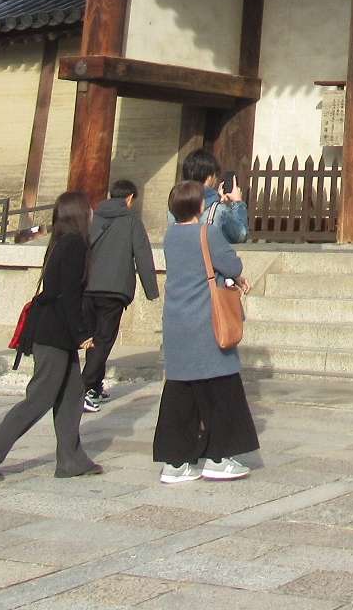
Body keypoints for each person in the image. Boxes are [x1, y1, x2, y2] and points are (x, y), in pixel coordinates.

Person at [0, 191, 100, 480]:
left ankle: (70, 459)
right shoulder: (74, 244)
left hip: (54, 329)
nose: (92, 214)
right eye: (88, 209)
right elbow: (68, 295)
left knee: (71, 395)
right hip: (56, 333)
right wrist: (82, 334)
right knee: (39, 399)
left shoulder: (61, 242)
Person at [153, 179, 258, 483]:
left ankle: (175, 463)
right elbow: (229, 262)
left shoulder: (170, 236)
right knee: (221, 389)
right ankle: (218, 457)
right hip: (204, 322)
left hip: (176, 321)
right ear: (199, 206)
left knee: (180, 393)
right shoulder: (207, 232)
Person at [83, 179, 158, 413]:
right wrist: (151, 290)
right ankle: (83, 388)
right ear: (129, 198)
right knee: (104, 340)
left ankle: (94, 385)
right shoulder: (132, 221)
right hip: (114, 290)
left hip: (88, 288)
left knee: (92, 339)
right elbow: (143, 255)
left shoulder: (93, 218)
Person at [183, 148, 247, 245]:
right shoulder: (218, 210)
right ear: (209, 178)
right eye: (215, 176)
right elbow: (241, 235)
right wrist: (238, 203)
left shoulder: (176, 207)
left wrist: (218, 201)